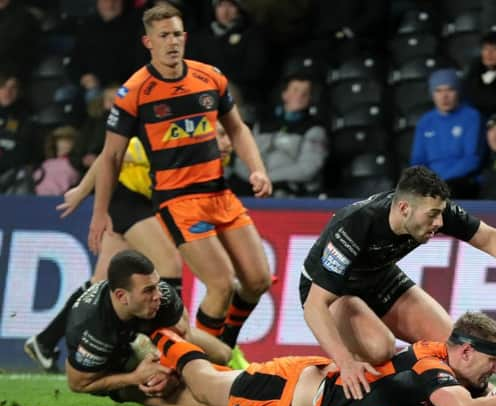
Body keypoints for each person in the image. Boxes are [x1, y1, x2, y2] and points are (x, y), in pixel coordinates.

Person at [89, 4, 273, 354]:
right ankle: (203, 367)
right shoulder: (135, 92)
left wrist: (257, 168)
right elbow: (111, 157)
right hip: (178, 201)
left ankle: (222, 346)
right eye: (164, 36)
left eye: (176, 34)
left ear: (185, 37)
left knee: (257, 280)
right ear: (148, 42)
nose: (172, 42)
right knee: (220, 285)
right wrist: (100, 212)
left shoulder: (209, 77)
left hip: (220, 194)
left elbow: (236, 127)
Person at [299, 165, 496, 400]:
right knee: (379, 348)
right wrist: (344, 360)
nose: (439, 222)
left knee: (453, 348)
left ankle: (488, 397)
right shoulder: (355, 224)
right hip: (335, 292)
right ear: (404, 208)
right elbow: (315, 305)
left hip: (378, 278)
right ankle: (348, 383)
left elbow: (489, 238)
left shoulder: (433, 209)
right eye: (432, 215)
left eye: (441, 214)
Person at [25, 136, 234, 372]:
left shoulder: (214, 158)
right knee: (170, 265)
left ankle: (45, 341)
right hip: (125, 197)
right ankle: (168, 346)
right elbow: (109, 156)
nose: (227, 142)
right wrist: (83, 192)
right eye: (221, 135)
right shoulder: (164, 139)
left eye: (228, 136)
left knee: (101, 283)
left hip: (145, 201)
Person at [140, 311, 496, 406]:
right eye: (490, 360)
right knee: (202, 384)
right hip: (283, 391)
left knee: (179, 404)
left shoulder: (461, 374)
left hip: (310, 381)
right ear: (461, 352)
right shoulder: (431, 362)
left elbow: (483, 399)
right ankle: (158, 331)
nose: (494, 370)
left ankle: (127, 388)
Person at [63, 249, 202, 401]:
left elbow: (184, 332)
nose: (158, 295)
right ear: (122, 297)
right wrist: (134, 378)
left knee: (218, 353)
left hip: (141, 336)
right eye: (149, 290)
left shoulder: (162, 293)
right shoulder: (94, 328)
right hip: (115, 371)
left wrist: (174, 367)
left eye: (156, 285)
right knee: (177, 395)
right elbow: (78, 383)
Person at [231, 74, 329, 197]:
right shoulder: (263, 123)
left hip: (289, 191)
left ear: (310, 98)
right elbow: (244, 156)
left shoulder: (314, 129)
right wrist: (255, 179)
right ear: (284, 94)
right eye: (295, 90)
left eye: (305, 92)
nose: (300, 95)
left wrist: (268, 179)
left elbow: (308, 169)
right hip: (251, 186)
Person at [410, 68, 486, 199]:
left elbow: (472, 159)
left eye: (450, 89)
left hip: (461, 183)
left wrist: (440, 181)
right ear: (432, 94)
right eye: (438, 91)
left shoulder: (472, 117)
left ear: (458, 92)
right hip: (431, 184)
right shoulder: (426, 121)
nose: (444, 96)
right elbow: (418, 160)